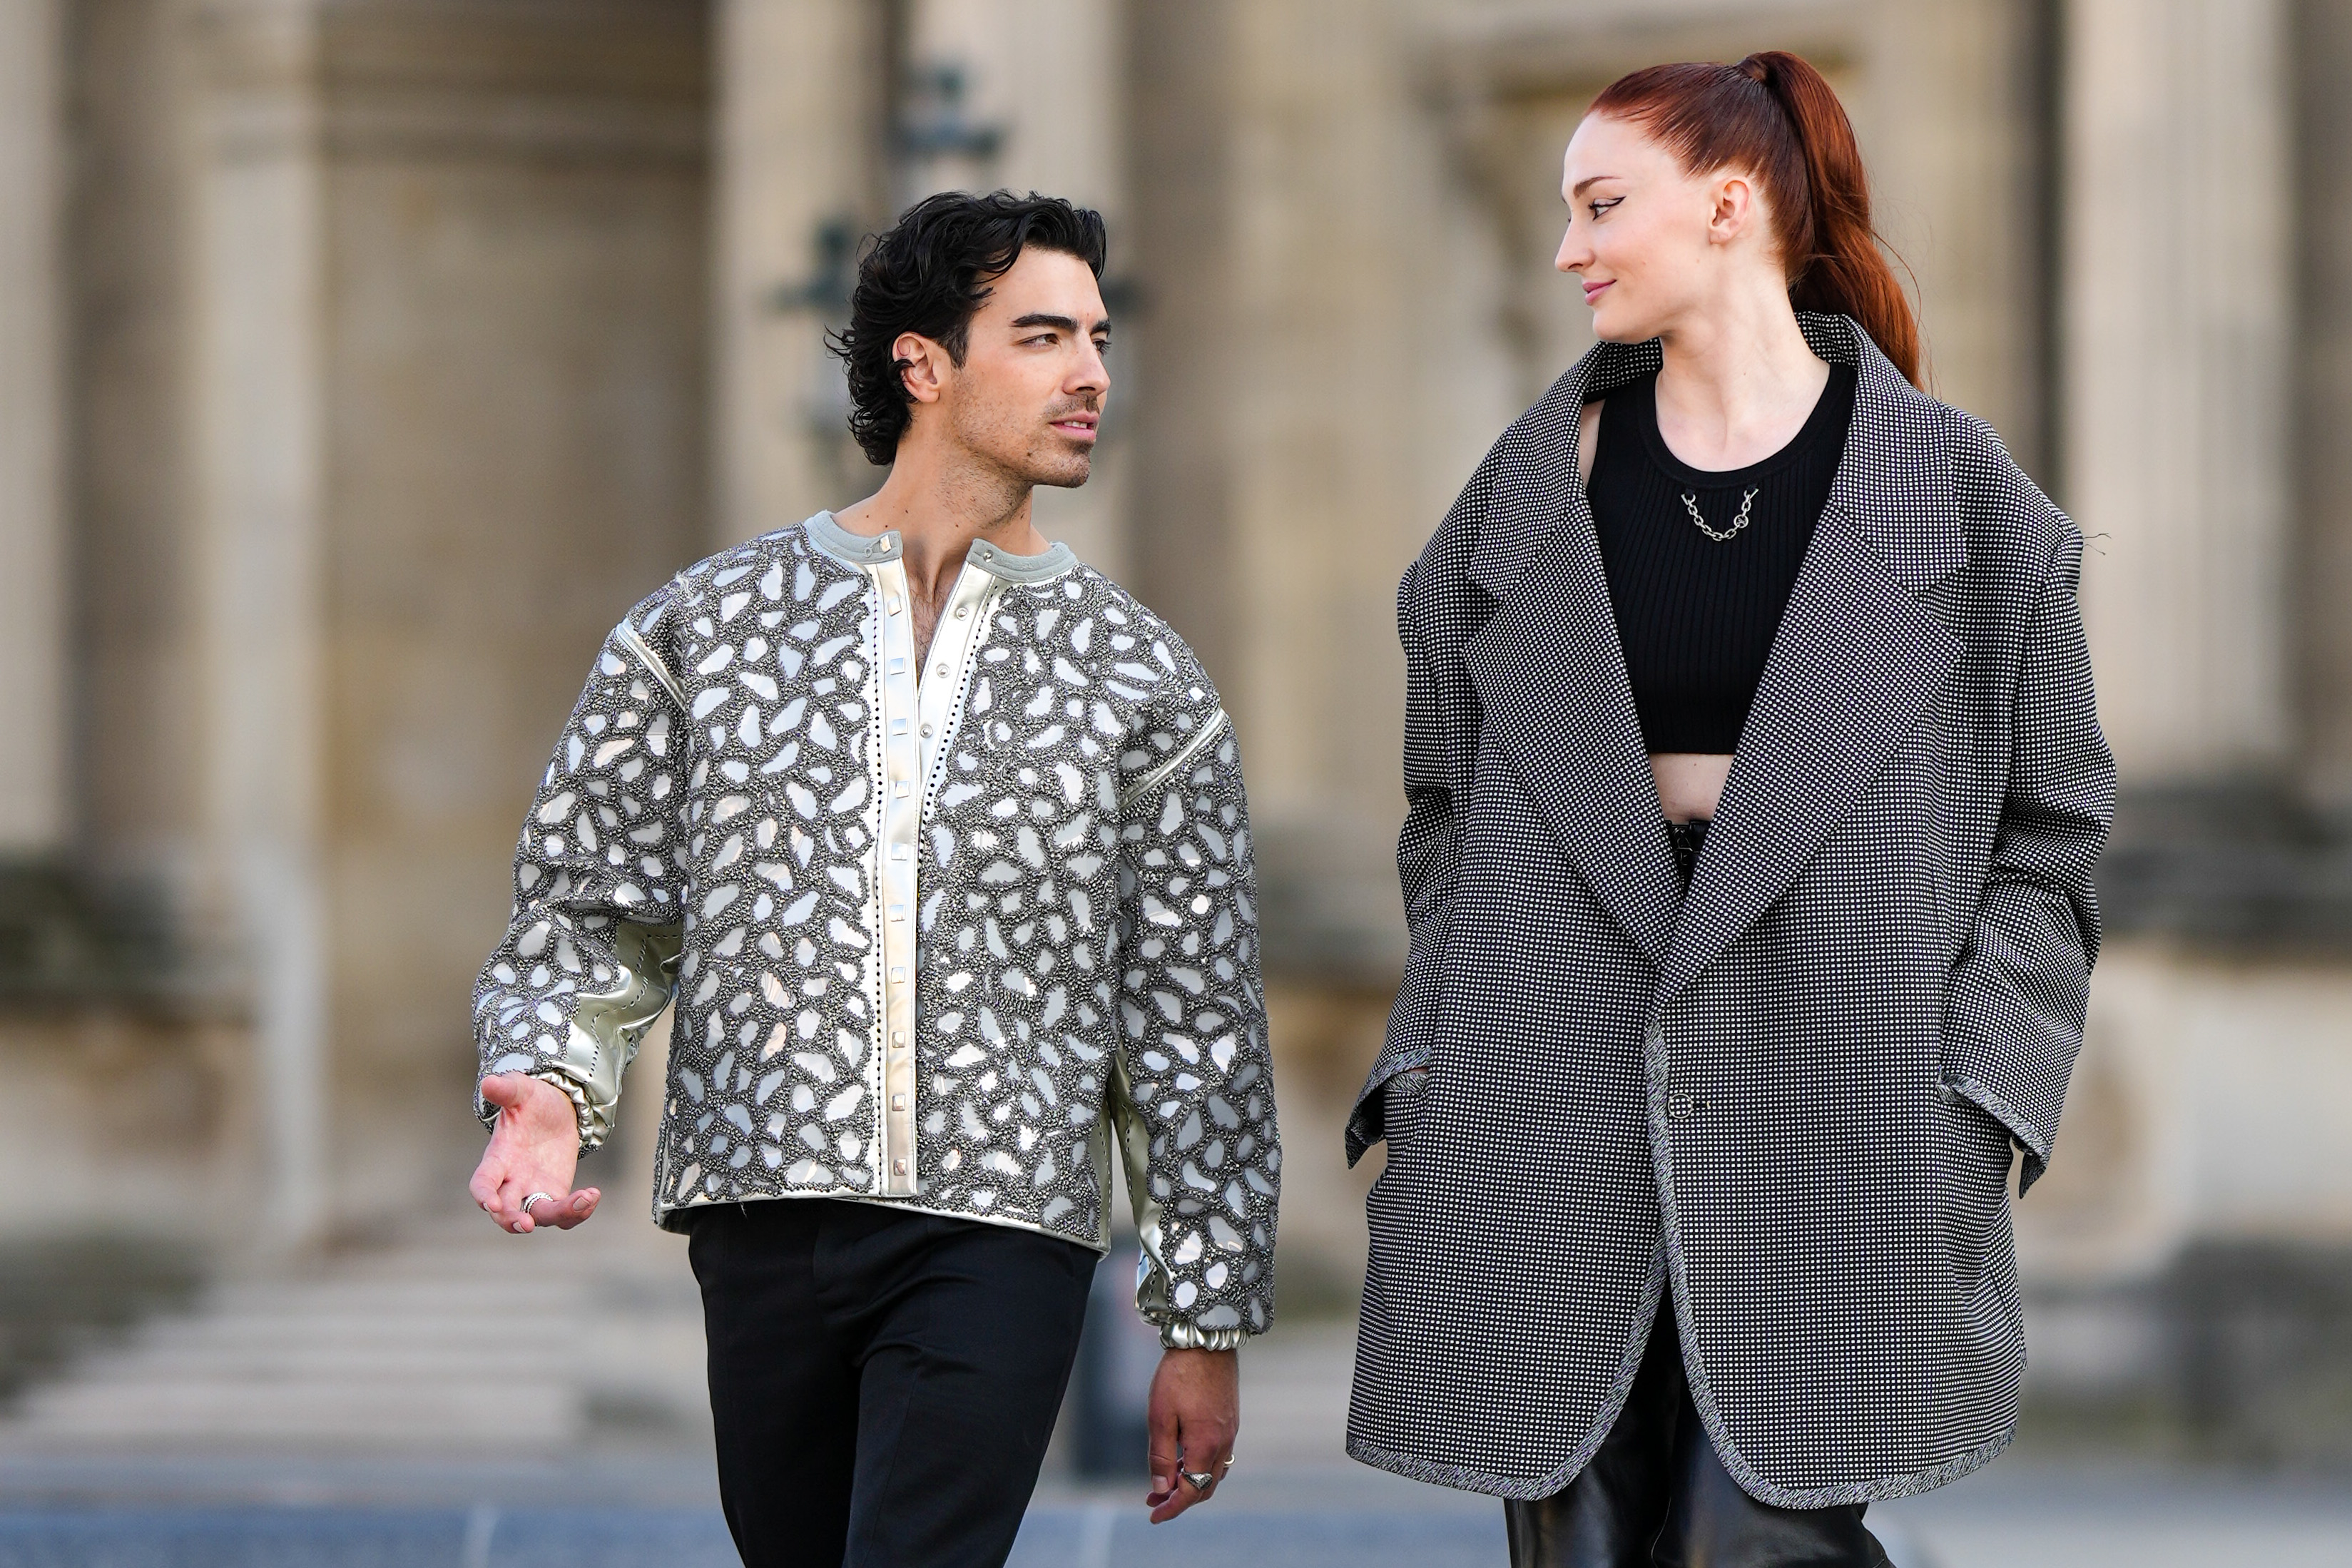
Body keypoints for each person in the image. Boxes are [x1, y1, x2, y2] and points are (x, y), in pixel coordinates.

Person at [1344, 52, 2114, 1567]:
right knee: (1581, 1539)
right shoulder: (1512, 502)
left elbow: (2054, 831)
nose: (1567, 247)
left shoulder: (1961, 501)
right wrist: (1432, 1044)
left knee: (1746, 1539)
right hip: (1543, 1093)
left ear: (1728, 204)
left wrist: (1980, 1093)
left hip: (1850, 1087)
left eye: (1598, 205)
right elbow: (1440, 808)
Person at [467, 190, 1280, 1568]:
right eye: (1041, 335)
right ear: (924, 364)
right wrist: (546, 1090)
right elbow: (587, 904)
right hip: (759, 1210)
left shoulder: (1142, 681)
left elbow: (1192, 1017)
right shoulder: (701, 628)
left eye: (1096, 334)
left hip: (1002, 1228)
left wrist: (1201, 1319)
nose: (1091, 371)